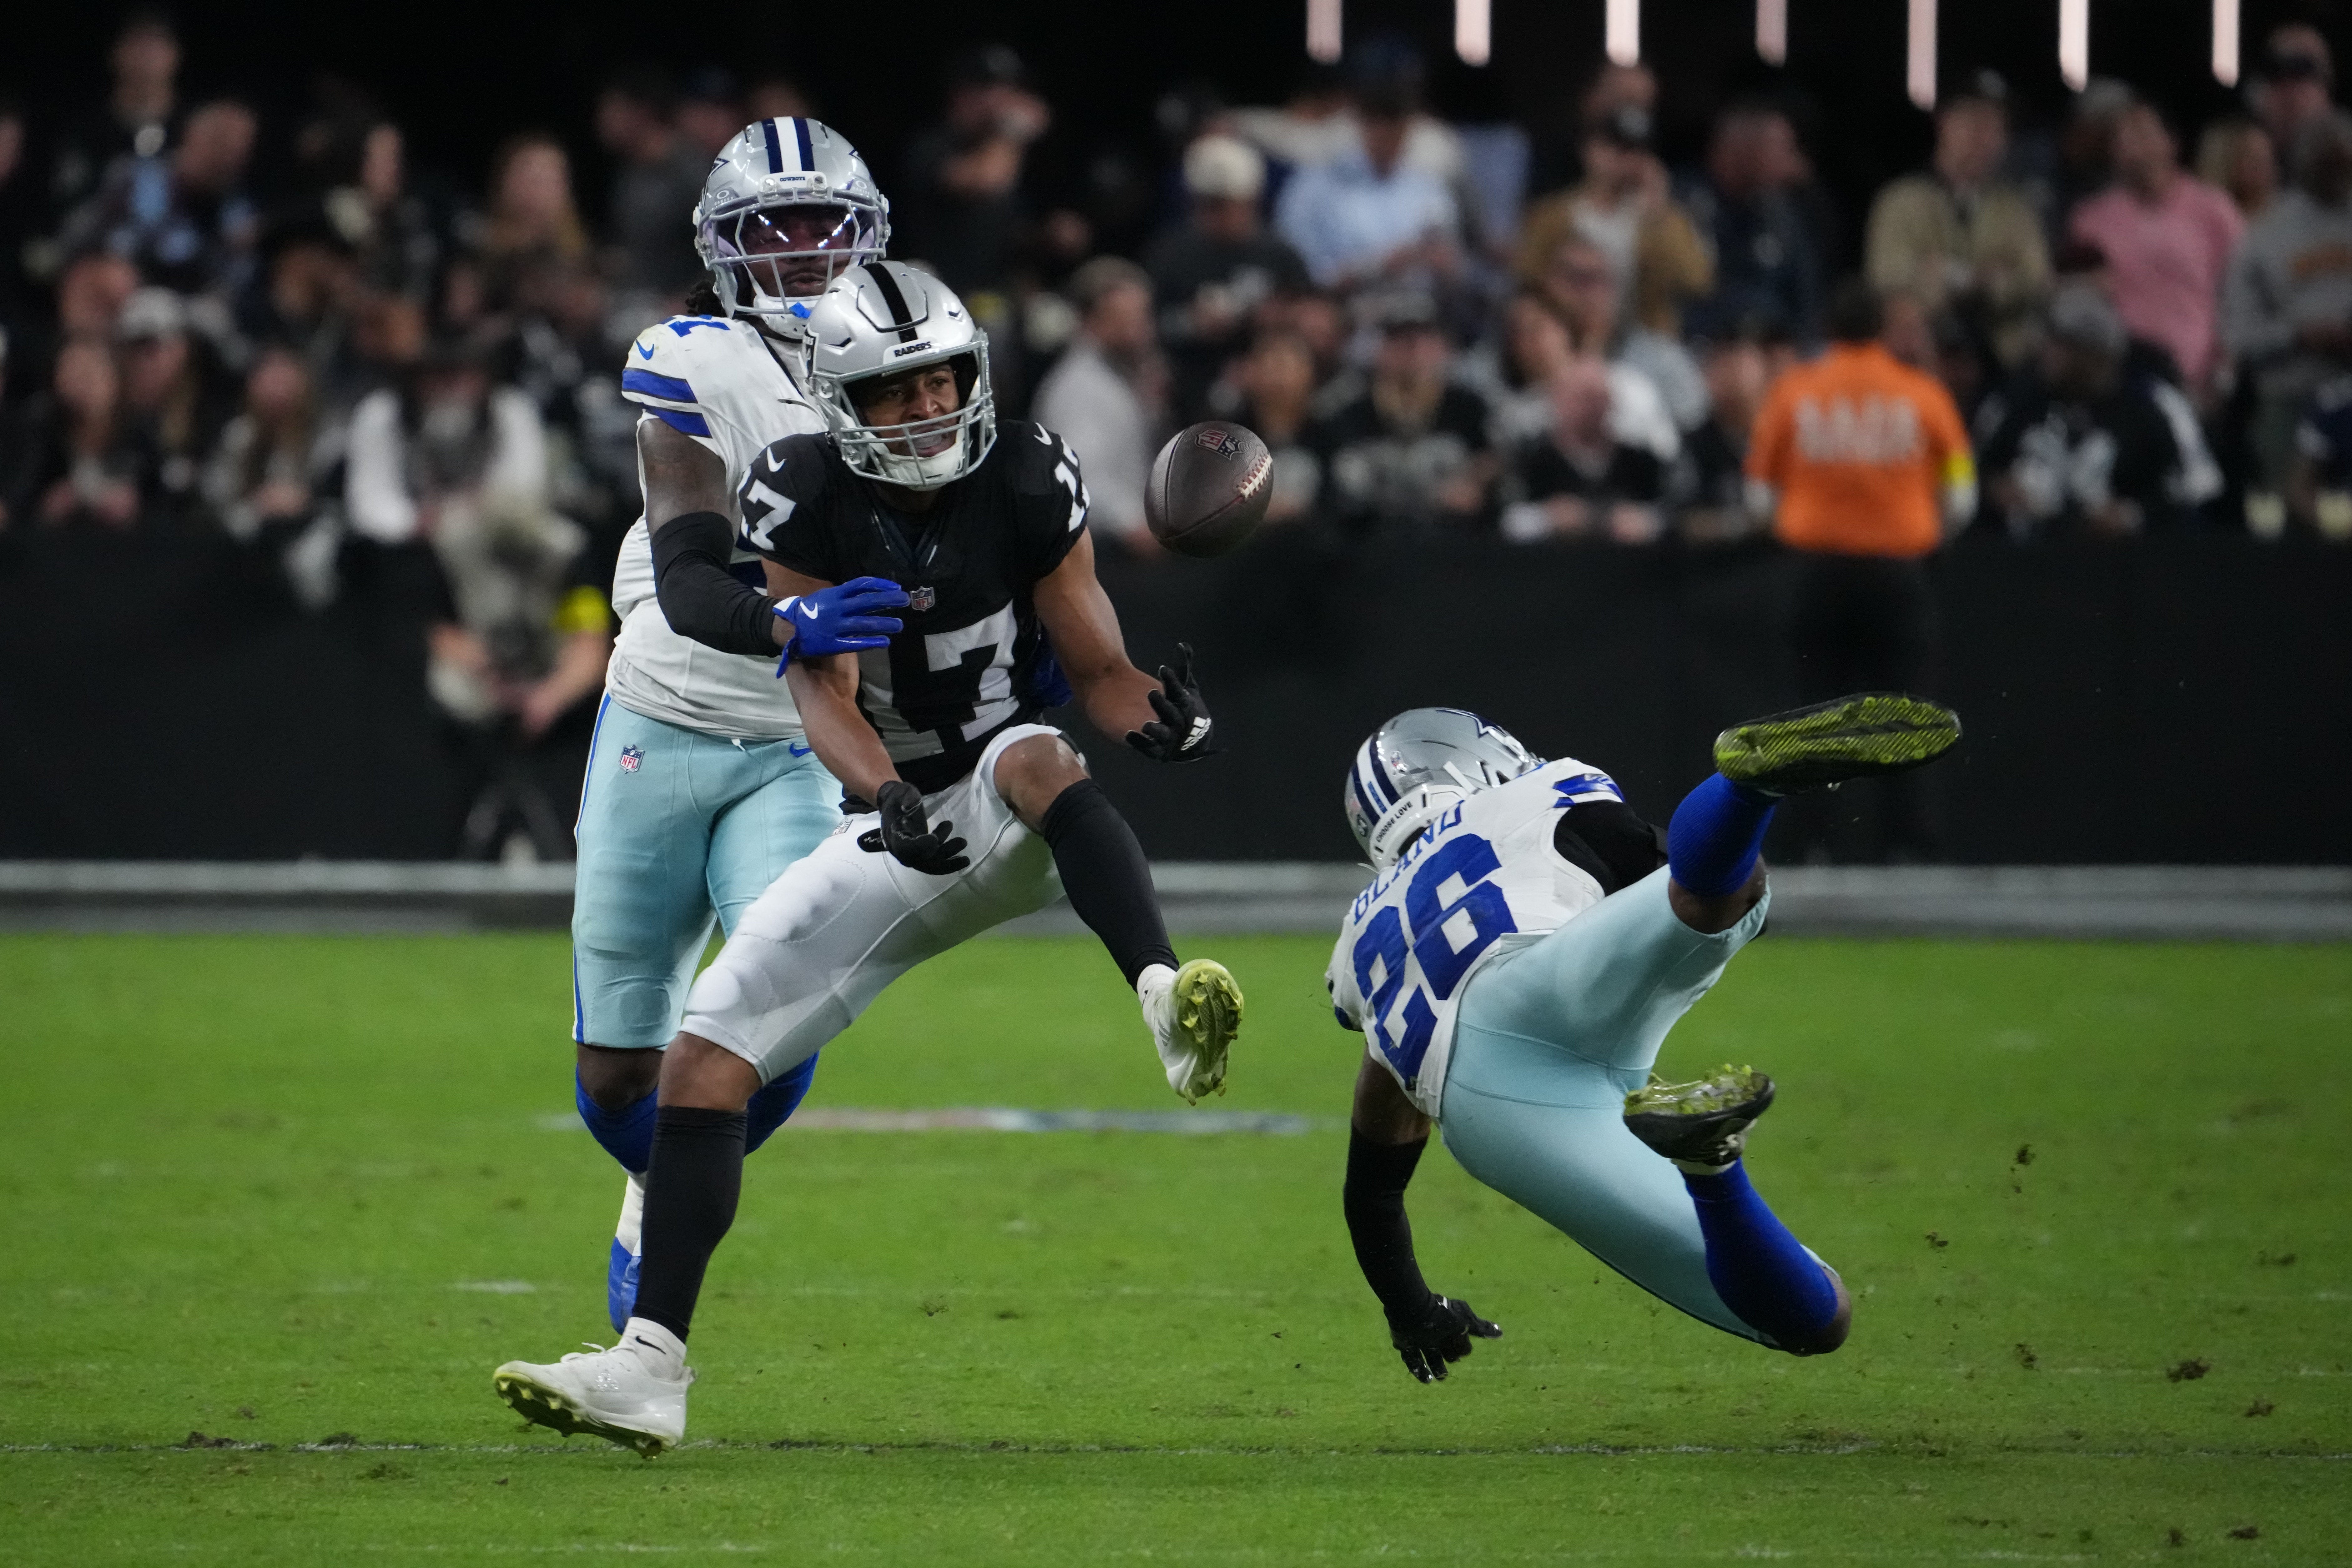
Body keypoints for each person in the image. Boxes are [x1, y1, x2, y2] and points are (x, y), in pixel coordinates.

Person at [491, 261, 1244, 1455]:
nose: (930, 407)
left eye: (945, 378)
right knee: (701, 1062)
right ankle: (651, 1368)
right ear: (840, 400)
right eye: (898, 392)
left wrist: (1163, 713)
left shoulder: (1024, 468)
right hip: (891, 820)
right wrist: (882, 795)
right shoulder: (796, 488)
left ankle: (1160, 993)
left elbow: (1098, 669)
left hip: (1000, 798)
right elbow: (821, 691)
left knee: (1037, 758)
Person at [1329, 696, 1960, 1382]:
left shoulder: (1359, 943)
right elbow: (1675, 879)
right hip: (1549, 972)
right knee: (1720, 889)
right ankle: (1747, 787)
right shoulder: (1531, 797)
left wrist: (1411, 1308)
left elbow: (1373, 1189)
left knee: (1817, 1318)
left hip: (1497, 1100)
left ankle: (1711, 1163)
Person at [570, 120, 896, 1334]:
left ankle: (667, 1212)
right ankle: (655, 1172)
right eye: (776, 224)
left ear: (866, 236)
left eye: (825, 223)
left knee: (772, 1005)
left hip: (797, 740)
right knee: (613, 1072)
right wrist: (790, 629)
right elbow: (701, 579)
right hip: (666, 708)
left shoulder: (913, 353)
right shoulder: (690, 362)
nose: (805, 249)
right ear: (726, 245)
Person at [1745, 280, 1973, 858]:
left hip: (1813, 573)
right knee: (1907, 713)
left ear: (1826, 328)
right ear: (1880, 329)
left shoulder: (1795, 392)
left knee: (1808, 714)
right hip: (1898, 572)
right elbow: (1961, 493)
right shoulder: (1921, 394)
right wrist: (1929, 542)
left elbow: (1757, 493)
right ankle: (1909, 848)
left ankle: (1811, 845)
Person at [1976, 285, 2222, 538]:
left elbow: (2199, 486)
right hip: (2021, 561)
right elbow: (1967, 464)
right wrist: (1993, 489)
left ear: (2094, 352)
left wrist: (2134, 516)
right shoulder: (2017, 398)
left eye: (2061, 344)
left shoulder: (2153, 405)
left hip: (2126, 565)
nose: (2046, 353)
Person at [1864, 73, 2050, 372]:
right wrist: (1980, 278)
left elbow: (2035, 279)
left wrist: (1950, 276)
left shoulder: (2015, 208)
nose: (1985, 139)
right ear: (1944, 123)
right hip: (1925, 360)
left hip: (2003, 360)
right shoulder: (1901, 201)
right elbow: (1889, 279)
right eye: (1974, 123)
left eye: (1996, 127)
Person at [2068, 100, 2242, 404]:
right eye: (2123, 139)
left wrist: (2224, 374)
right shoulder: (2089, 219)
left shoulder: (2213, 211)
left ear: (2171, 143)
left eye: (2143, 136)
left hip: (2196, 380)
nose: (2133, 148)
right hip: (2117, 382)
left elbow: (2240, 294)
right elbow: (2073, 301)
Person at [2223, 112, 2352, 501]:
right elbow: (2237, 335)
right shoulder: (2265, 235)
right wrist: (2298, 335)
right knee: (2287, 524)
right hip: (2288, 393)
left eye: (2343, 161)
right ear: (2301, 164)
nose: (2336, 172)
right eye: (2325, 162)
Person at [1145, 135, 1310, 424]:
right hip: (1193, 383)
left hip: (1268, 383)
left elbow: (1314, 318)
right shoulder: (1172, 255)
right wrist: (1191, 323)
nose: (1216, 215)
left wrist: (1277, 321)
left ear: (1250, 201)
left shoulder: (1278, 255)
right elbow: (1151, 325)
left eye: (1225, 205)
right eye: (1207, 204)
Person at [1514, 103, 1711, 338]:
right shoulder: (1554, 214)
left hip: (1644, 339)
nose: (1628, 160)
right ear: (1591, 150)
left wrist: (1657, 215)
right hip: (1565, 337)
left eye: (1638, 151)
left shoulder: (1664, 218)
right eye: (1618, 148)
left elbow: (1696, 281)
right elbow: (1526, 279)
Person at [1313, 292, 1493, 535]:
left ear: (1444, 347)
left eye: (1424, 338)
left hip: (1455, 547)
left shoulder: (1470, 410)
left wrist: (1479, 480)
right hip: (1371, 550)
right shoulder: (1348, 416)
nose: (1414, 350)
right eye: (1401, 339)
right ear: (1381, 349)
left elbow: (1495, 470)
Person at [1273, 65, 1461, 292]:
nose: (1390, 142)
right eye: (1381, 129)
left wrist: (1443, 265)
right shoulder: (1315, 185)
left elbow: (1452, 262)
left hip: (1418, 311)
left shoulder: (1428, 188)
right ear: (1362, 124)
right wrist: (1377, 266)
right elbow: (1297, 272)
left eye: (1399, 131)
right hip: (1341, 307)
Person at [1029, 257, 1167, 553]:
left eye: (1142, 317)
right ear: (1090, 321)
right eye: (1125, 320)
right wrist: (1132, 523)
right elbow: (1080, 475)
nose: (1140, 331)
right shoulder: (1078, 388)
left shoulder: (1123, 375)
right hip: (1099, 550)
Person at [1680, 103, 1821, 343]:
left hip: (1775, 352)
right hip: (1701, 350)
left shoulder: (1780, 213)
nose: (1790, 163)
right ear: (1743, 150)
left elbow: (1807, 300)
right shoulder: (1684, 203)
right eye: (1780, 149)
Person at [1496, 355, 1665, 544]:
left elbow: (1670, 515)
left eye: (1599, 398)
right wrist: (1548, 518)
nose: (1591, 408)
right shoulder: (1532, 459)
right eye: (1582, 398)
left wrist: (1644, 522)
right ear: (1558, 399)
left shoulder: (1640, 462)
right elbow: (1505, 520)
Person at [596, 70, 711, 305]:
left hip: (686, 309)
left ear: (641, 112)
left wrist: (691, 301)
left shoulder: (691, 171)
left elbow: (723, 246)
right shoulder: (629, 175)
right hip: (636, 302)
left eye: (613, 110)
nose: (603, 120)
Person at [2196, 118, 2279, 222]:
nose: (2259, 165)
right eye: (2250, 157)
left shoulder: (2293, 214)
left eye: (2264, 157)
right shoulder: (2212, 218)